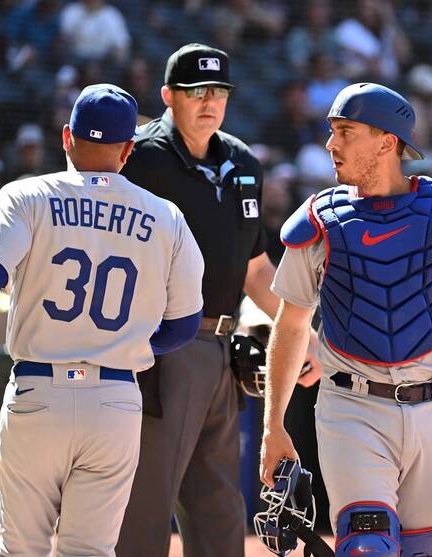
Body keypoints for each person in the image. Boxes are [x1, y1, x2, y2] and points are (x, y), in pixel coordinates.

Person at [0, 83, 205, 556]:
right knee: (89, 550)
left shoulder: (29, 195)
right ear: (129, 148)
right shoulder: (166, 217)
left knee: (22, 547)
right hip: (114, 400)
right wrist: (124, 349)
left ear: (66, 137)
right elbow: (185, 326)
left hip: (38, 394)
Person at [260, 83, 432, 556]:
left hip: (431, 412)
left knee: (421, 550)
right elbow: (289, 325)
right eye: (331, 131)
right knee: (367, 546)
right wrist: (274, 425)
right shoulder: (321, 220)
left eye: (345, 132)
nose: (331, 144)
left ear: (387, 142)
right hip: (352, 410)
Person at [115, 43, 321, 557]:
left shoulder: (244, 162)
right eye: (196, 91)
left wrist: (300, 334)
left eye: (219, 91)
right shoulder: (139, 158)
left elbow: (256, 271)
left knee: (219, 508)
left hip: (223, 352)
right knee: (146, 503)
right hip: (159, 347)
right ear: (167, 96)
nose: (209, 101)